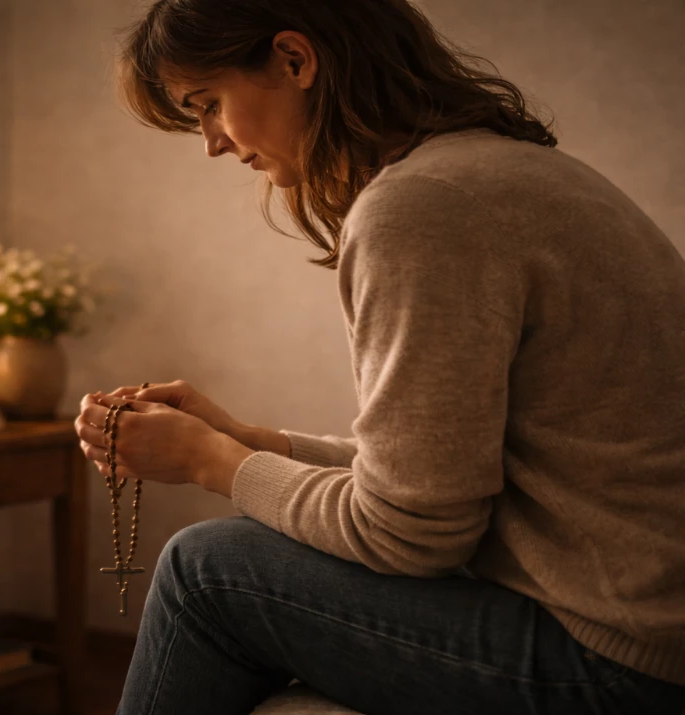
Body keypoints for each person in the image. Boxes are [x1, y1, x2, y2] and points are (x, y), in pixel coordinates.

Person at [73, 1, 685, 714]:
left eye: (208, 105)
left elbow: (410, 534)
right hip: (653, 622)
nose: (210, 143)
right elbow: (439, 480)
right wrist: (250, 441)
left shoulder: (421, 205)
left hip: (620, 660)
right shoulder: (511, 172)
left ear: (295, 60)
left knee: (205, 569)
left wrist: (210, 462)